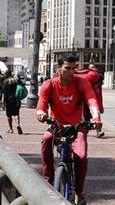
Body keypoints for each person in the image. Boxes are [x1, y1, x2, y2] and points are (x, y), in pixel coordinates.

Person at [35, 54, 101, 205]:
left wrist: (96, 118)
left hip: (77, 127)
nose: (71, 72)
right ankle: (48, 181)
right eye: (67, 68)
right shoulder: (49, 84)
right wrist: (41, 113)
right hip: (56, 126)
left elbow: (91, 100)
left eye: (74, 68)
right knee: (45, 139)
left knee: (81, 155)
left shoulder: (81, 83)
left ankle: (79, 192)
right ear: (58, 69)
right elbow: (41, 104)